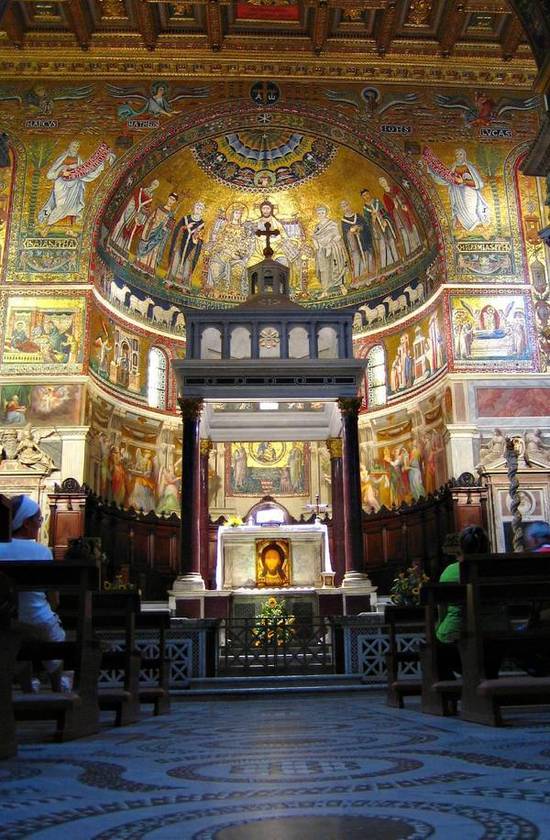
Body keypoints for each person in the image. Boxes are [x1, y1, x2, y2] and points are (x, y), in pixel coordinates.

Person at [0, 495, 70, 692]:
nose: (40, 525)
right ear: (26, 522)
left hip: (4, 621)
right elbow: (53, 598)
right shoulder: (42, 552)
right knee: (53, 634)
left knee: (15, 634)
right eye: (39, 520)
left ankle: (27, 686)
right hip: (38, 620)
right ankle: (58, 685)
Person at [436, 525, 505, 680]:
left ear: (461, 547)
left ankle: (449, 695)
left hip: (456, 638)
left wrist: (439, 630)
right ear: (488, 545)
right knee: (491, 647)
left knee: (435, 651)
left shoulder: (450, 572)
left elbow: (442, 610)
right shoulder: (497, 570)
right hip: (496, 640)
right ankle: (490, 680)